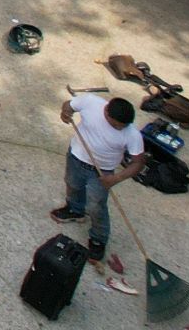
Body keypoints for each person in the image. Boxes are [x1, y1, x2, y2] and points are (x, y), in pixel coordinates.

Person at [53, 89, 146, 262]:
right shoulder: (90, 102)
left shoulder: (132, 134)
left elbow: (138, 163)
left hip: (102, 172)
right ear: (106, 112)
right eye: (117, 125)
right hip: (76, 156)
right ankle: (75, 209)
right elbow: (68, 106)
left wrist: (115, 179)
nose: (121, 128)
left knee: (96, 204)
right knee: (72, 184)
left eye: (124, 126)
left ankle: (98, 238)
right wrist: (65, 113)